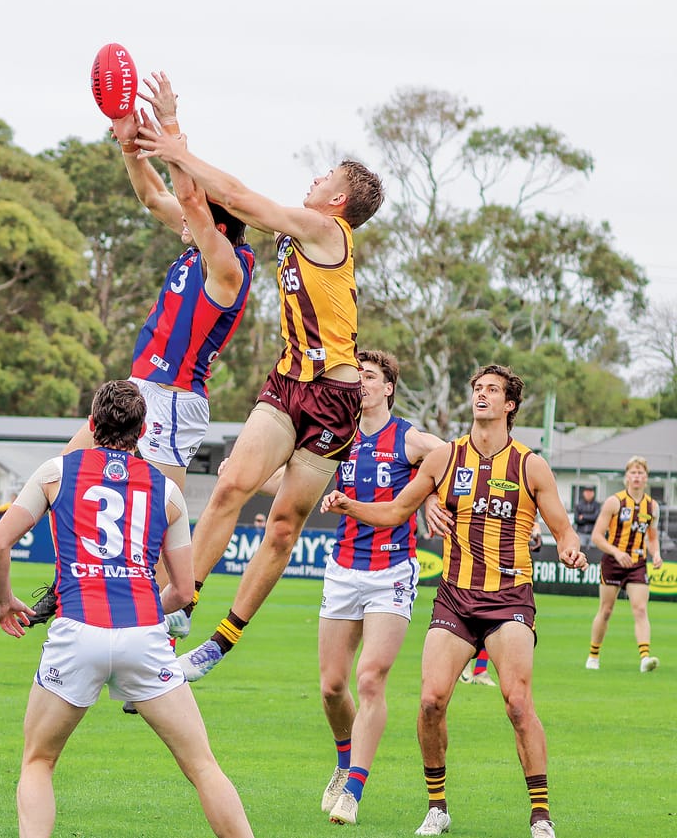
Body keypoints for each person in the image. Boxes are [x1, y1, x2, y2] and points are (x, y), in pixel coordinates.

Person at [135, 94, 384, 680]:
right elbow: (205, 199)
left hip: (334, 400)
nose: (315, 177)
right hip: (287, 382)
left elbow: (241, 197)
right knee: (230, 486)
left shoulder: (326, 228)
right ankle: (181, 603)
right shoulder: (295, 229)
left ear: (339, 199)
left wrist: (175, 144)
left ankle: (220, 643)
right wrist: (165, 136)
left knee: (282, 527)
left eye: (327, 176)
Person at [321, 364, 587, 838]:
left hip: (508, 600)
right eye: (477, 388)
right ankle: (438, 807)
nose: (481, 395)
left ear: (509, 405)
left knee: (518, 704)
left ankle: (541, 814)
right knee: (429, 702)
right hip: (455, 599)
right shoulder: (445, 459)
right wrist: (349, 505)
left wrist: (568, 547)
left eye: (492, 390)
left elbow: (562, 527)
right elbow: (397, 509)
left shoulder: (531, 465)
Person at [29, 73, 255, 629]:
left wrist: (172, 134)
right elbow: (154, 193)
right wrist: (130, 139)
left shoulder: (227, 268)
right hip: (138, 390)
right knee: (64, 471)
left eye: (195, 212)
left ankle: (168, 626)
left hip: (175, 402)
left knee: (158, 524)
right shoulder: (192, 252)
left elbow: (182, 198)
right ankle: (66, 584)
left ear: (215, 222)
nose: (181, 216)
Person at [0, 380, 254, 838]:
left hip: (76, 633)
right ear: (143, 429)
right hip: (144, 637)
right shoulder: (167, 493)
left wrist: (4, 601)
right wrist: (145, 606)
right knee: (203, 767)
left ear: (91, 425)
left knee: (39, 762)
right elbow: (184, 592)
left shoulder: (56, 472)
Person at [316, 350, 446, 826]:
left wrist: (428, 493)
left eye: (369, 377)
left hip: (392, 571)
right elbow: (292, 477)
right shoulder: (340, 435)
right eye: (358, 378)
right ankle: (343, 757)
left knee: (370, 679)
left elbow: (451, 456)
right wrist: (241, 475)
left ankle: (353, 790)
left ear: (388, 387)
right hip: (343, 569)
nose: (362, 384)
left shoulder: (408, 437)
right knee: (332, 687)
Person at [585, 456, 663, 673]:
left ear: (646, 478)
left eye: (641, 473)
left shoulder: (652, 506)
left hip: (637, 562)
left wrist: (655, 554)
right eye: (633, 473)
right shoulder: (614, 502)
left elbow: (653, 536)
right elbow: (597, 537)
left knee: (640, 609)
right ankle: (593, 655)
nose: (637, 477)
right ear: (627, 477)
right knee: (606, 610)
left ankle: (644, 657)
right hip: (613, 561)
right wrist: (617, 553)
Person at [573, 485, 600, 551]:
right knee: (580, 551)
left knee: (593, 552)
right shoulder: (579, 505)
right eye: (587, 492)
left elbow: (596, 518)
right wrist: (590, 518)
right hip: (581, 533)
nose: (588, 494)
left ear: (593, 493)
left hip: (593, 534)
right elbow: (576, 519)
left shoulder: (597, 505)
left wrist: (584, 517)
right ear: (584, 493)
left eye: (590, 492)